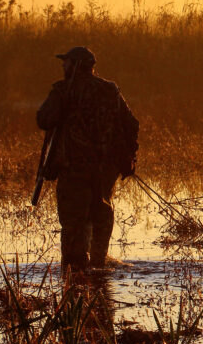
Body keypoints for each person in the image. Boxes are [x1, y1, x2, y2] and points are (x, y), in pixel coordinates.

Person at [36, 46, 139, 271]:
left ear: (75, 66)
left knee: (73, 221)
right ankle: (99, 264)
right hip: (105, 169)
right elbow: (131, 123)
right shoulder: (110, 90)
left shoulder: (63, 90)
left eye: (67, 62)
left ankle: (74, 273)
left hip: (74, 168)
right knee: (100, 214)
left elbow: (44, 119)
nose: (63, 65)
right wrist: (130, 157)